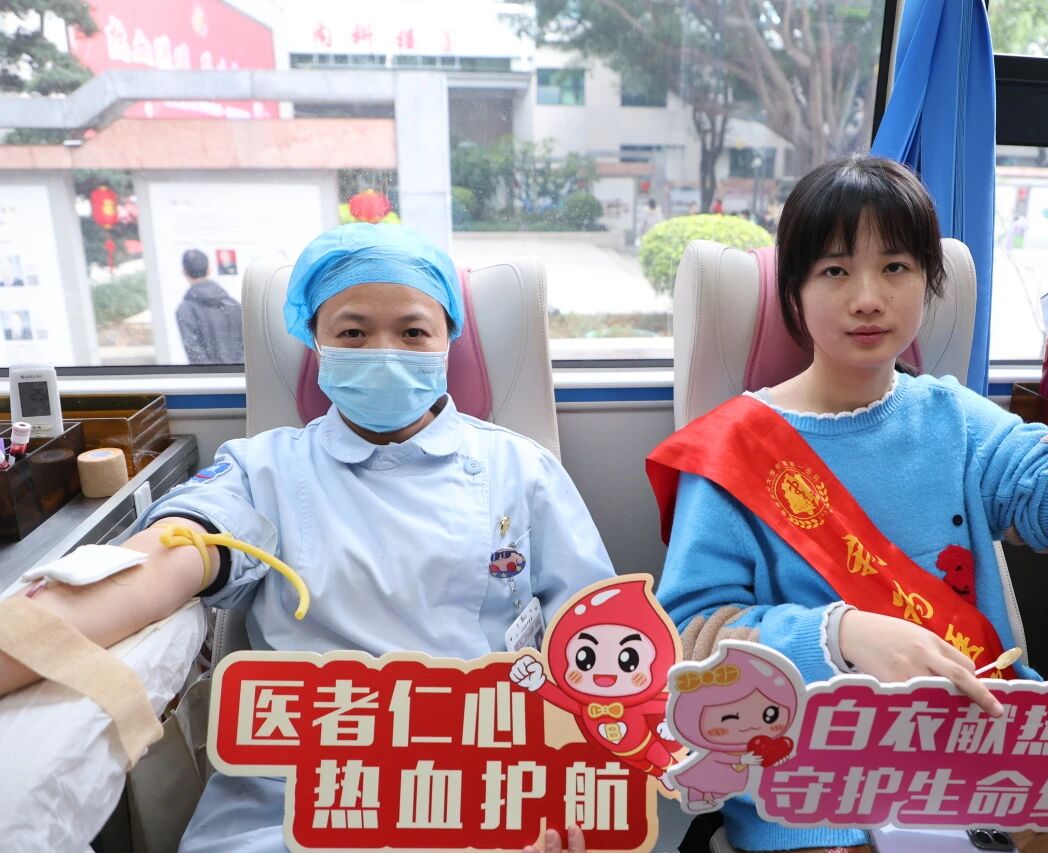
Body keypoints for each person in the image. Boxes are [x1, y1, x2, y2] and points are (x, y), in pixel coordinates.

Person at [648, 154, 1048, 852]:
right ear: (794, 289)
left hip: (986, 773)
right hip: (814, 798)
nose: (868, 297)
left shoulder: (956, 420)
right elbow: (688, 643)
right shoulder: (732, 448)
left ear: (928, 280)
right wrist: (840, 635)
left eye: (895, 267)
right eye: (834, 271)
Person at [0, 223, 610, 853]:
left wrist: (570, 788)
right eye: (353, 332)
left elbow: (603, 639)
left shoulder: (522, 468)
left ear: (447, 340)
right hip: (295, 796)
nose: (384, 351)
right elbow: (169, 556)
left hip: (485, 785)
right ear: (316, 342)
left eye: (412, 332)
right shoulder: (264, 469)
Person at [176, 248, 245, 364]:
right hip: (240, 372)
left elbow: (194, 353)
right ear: (209, 270)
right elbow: (247, 346)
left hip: (209, 374)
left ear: (184, 272)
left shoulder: (185, 310)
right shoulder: (234, 305)